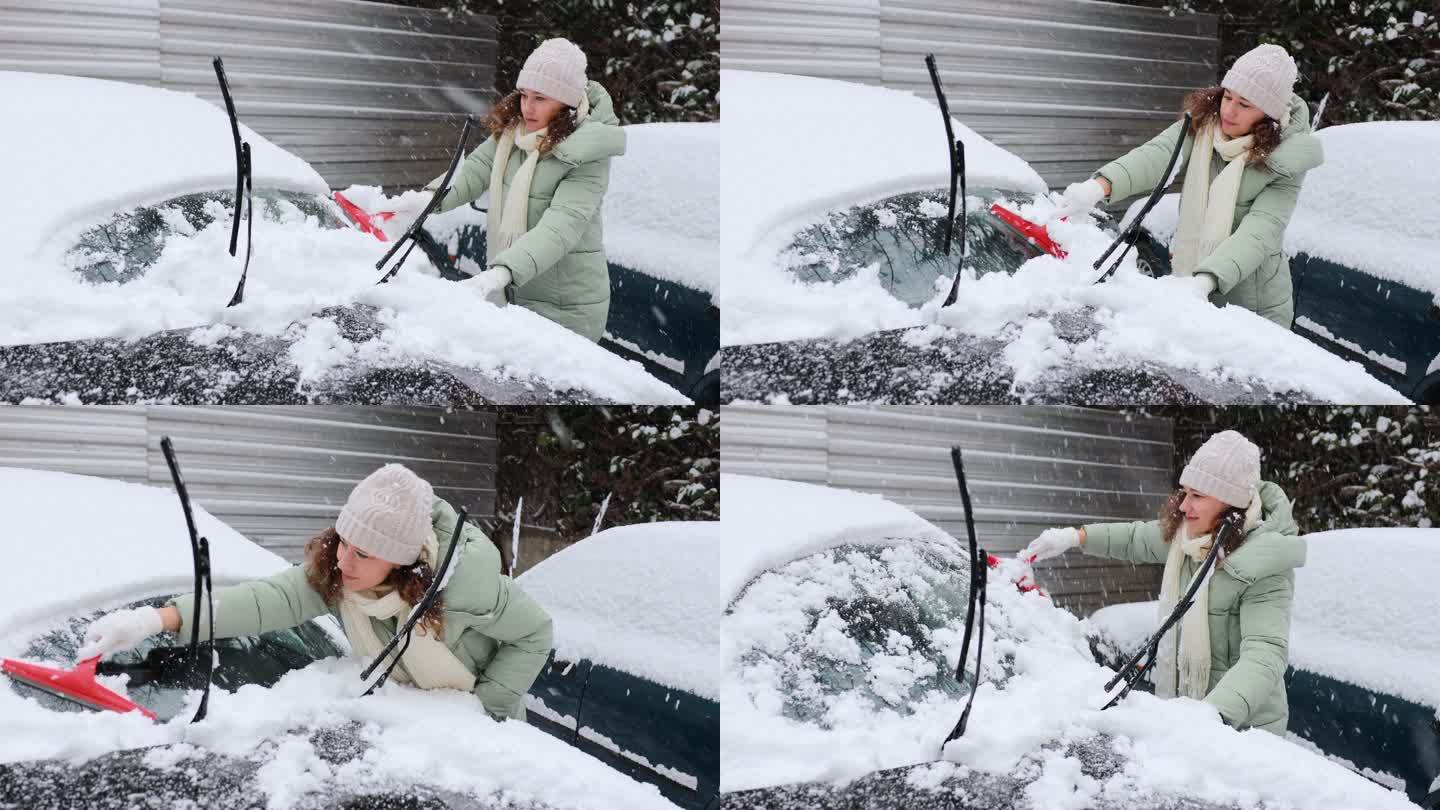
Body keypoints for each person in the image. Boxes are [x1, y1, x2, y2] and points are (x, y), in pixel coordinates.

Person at [78, 464, 553, 721]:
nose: (344, 561)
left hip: (484, 735)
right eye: (344, 542)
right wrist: (155, 620)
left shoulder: (464, 584)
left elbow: (535, 633)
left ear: (403, 561)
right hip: (417, 725)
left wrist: (483, 713)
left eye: (363, 554)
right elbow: (264, 602)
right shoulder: (338, 574)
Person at [1018, 430, 1305, 734]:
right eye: (1185, 493)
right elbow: (1134, 538)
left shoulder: (1266, 562)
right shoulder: (1188, 540)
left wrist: (1211, 714)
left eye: (1197, 496)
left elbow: (1265, 655)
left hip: (1241, 733)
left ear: (1230, 504)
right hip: (1185, 722)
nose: (1183, 506)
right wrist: (1076, 537)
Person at [1051, 44, 1324, 328]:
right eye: (1227, 96)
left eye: (1244, 104)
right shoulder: (1205, 124)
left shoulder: (1287, 160)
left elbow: (1259, 232)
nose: (1229, 110)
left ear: (1268, 114)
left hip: (1254, 306)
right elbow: (1157, 154)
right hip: (1193, 285)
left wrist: (1206, 279)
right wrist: (1099, 186)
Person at [393, 37, 625, 342]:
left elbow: (561, 226)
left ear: (566, 101)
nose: (527, 107)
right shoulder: (514, 133)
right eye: (524, 95)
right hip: (515, 294)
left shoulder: (587, 152)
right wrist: (423, 201)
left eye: (540, 98)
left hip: (565, 308)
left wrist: (503, 271)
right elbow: (473, 173)